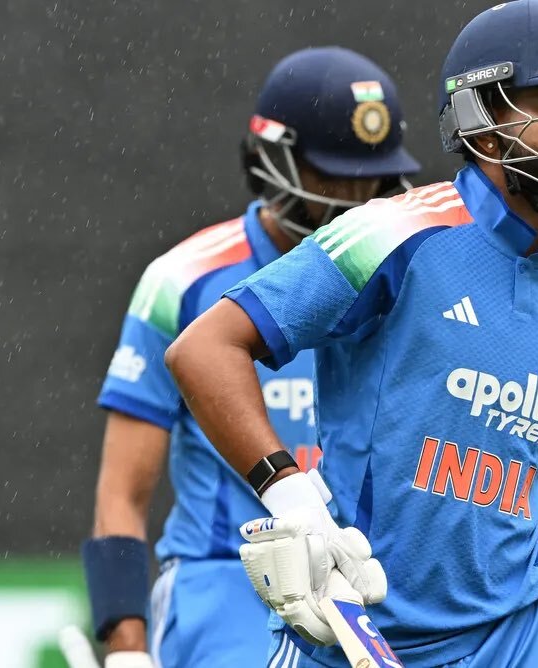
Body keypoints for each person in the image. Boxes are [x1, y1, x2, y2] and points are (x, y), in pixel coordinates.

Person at [164, 1, 538, 665]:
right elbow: (204, 348)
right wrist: (291, 497)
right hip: (356, 625)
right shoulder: (392, 235)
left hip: (519, 629)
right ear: (483, 124)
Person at [82, 46, 419, 667]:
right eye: (335, 177)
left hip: (367, 580)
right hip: (225, 579)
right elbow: (121, 496)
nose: (359, 200)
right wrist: (125, 646)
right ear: (274, 162)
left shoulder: (410, 272)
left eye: (372, 180)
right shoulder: (183, 279)